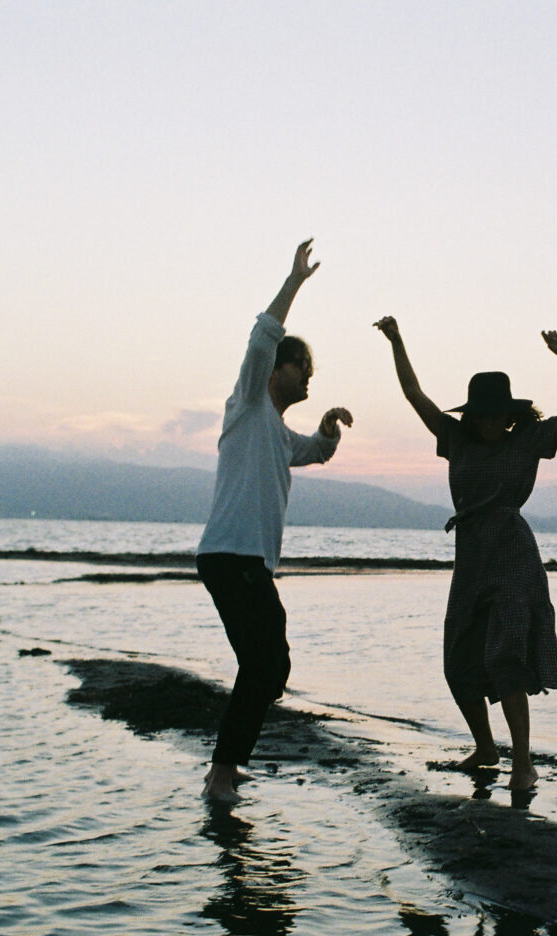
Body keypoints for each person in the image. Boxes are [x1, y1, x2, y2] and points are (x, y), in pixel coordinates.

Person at [374, 315, 557, 791]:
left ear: (509, 415)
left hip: (513, 555)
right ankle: (486, 747)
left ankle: (523, 763)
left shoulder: (528, 440)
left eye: (498, 414)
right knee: (458, 657)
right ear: (471, 414)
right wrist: (397, 340)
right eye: (483, 414)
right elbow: (416, 396)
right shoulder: (456, 439)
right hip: (471, 557)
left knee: (506, 654)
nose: (491, 422)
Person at [197, 240, 352, 803]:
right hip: (231, 555)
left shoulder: (277, 432)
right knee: (266, 663)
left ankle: (228, 765)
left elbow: (312, 451)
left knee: (268, 663)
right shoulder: (247, 404)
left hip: (245, 560)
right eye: (301, 367)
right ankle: (221, 772)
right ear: (276, 370)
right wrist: (295, 281)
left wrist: (330, 428)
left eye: (311, 370)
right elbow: (262, 335)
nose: (308, 377)